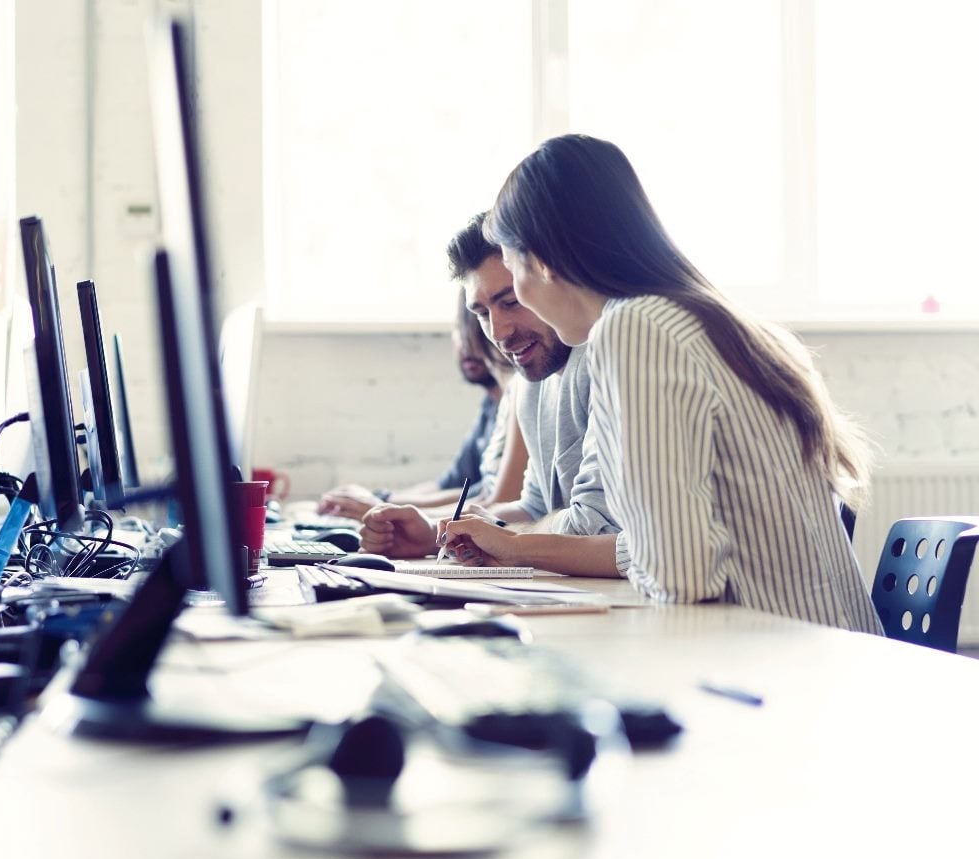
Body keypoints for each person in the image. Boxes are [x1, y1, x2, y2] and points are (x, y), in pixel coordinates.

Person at [444, 133, 879, 634]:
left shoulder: (635, 329)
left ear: (539, 259)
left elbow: (681, 577)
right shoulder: (691, 317)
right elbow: (676, 551)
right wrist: (516, 546)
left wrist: (524, 545)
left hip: (779, 662)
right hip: (810, 648)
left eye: (512, 270)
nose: (499, 325)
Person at [360, 213, 621, 573]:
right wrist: (442, 532)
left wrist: (505, 537)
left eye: (510, 302)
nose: (497, 332)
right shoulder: (532, 382)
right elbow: (533, 507)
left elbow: (594, 525)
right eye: (482, 312)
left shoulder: (605, 357)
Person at [317, 287, 528, 519]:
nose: (464, 345)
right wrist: (383, 503)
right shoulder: (498, 404)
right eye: (479, 316)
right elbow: (472, 492)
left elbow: (503, 501)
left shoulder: (521, 391)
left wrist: (383, 508)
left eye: (464, 329)